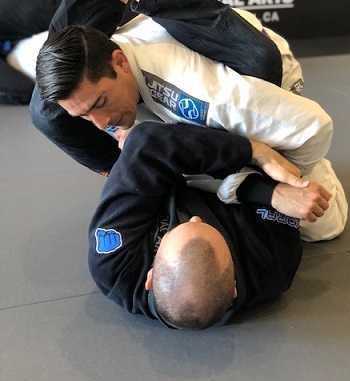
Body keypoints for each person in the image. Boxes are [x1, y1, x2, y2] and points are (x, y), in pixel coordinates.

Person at [32, 0, 347, 242]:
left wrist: (272, 180)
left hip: (251, 66)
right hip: (163, 47)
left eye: (100, 104)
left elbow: (315, 128)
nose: (102, 125)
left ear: (118, 62)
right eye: (87, 115)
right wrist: (132, 164)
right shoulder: (108, 65)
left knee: (323, 224)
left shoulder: (208, 100)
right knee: (47, 112)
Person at [89, 120, 304, 329]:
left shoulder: (114, 266)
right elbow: (285, 181)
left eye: (173, 231)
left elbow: (146, 141)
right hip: (234, 160)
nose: (195, 218)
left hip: (171, 154)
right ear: (234, 289)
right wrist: (257, 171)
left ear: (150, 278)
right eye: (211, 228)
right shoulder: (272, 265)